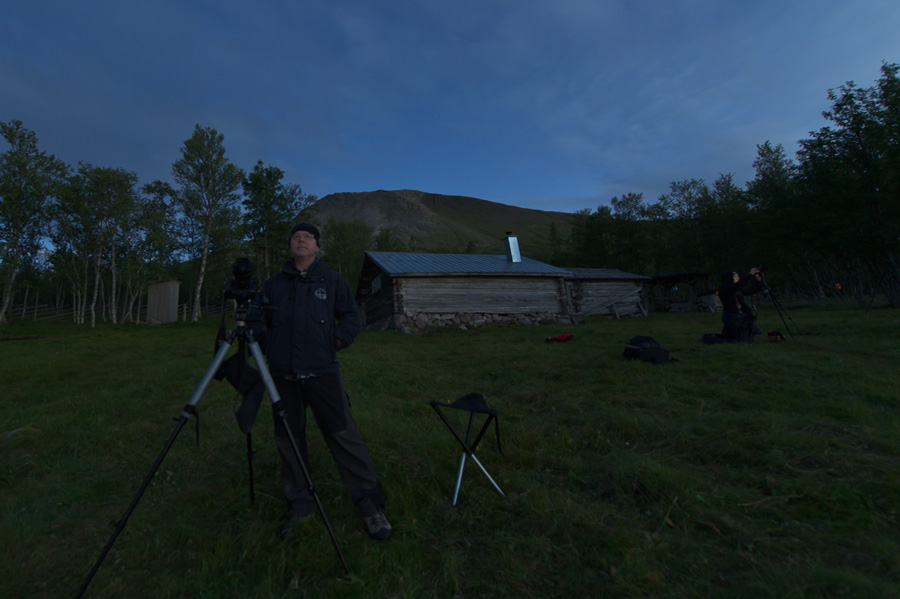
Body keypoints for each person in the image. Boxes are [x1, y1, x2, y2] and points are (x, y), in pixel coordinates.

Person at [257, 223, 391, 541]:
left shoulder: (331, 280)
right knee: (289, 440)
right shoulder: (274, 284)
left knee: (344, 436)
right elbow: (257, 321)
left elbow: (351, 317)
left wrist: (336, 342)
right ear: (290, 246)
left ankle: (370, 506)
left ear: (317, 247)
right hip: (283, 377)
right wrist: (268, 347)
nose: (301, 240)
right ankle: (301, 505)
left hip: (323, 373)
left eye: (308, 237)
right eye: (295, 237)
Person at [717, 267, 763, 342]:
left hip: (740, 317)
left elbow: (750, 290)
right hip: (733, 318)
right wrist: (750, 274)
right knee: (740, 340)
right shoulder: (724, 288)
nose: (738, 277)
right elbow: (738, 286)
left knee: (747, 339)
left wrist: (758, 281)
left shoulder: (736, 289)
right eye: (735, 276)